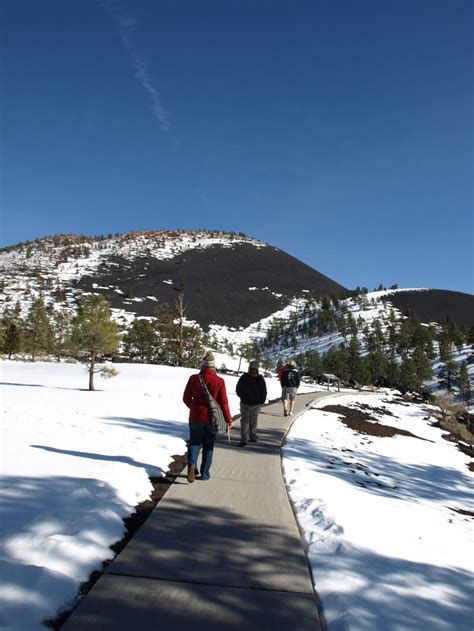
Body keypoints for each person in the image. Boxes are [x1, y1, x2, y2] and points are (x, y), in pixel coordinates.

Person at [183, 351, 232, 483]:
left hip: (195, 417)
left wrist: (194, 408)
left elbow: (186, 398)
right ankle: (204, 474)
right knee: (208, 445)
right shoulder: (219, 381)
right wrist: (228, 419)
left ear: (203, 366)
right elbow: (223, 402)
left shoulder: (193, 379)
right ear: (213, 366)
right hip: (212, 419)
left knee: (194, 442)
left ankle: (192, 465)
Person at [235, 360, 267, 447]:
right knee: (253, 420)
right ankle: (253, 436)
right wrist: (262, 401)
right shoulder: (260, 379)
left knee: (244, 421)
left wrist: (242, 396)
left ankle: (243, 439)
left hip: (245, 402)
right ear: (257, 369)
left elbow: (238, 389)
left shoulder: (244, 377)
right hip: (256, 403)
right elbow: (264, 391)